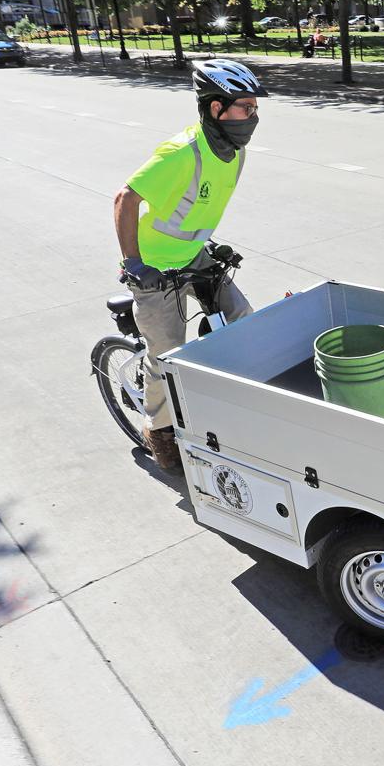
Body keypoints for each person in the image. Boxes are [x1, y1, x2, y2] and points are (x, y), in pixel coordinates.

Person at [113, 59, 267, 470]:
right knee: (166, 358)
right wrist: (133, 262)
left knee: (245, 321)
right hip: (155, 271)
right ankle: (157, 430)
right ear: (216, 109)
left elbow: (193, 208)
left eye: (255, 109)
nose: (253, 117)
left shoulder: (233, 153)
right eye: (245, 107)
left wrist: (209, 245)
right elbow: (125, 199)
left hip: (194, 256)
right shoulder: (182, 153)